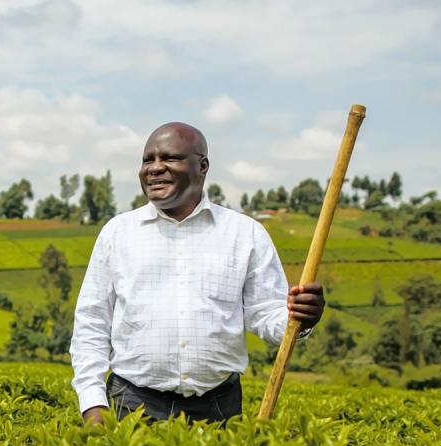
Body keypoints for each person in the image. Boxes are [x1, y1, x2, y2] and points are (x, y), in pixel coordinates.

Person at [69, 122, 326, 426]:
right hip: (133, 405)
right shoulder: (117, 233)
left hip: (219, 409)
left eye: (170, 158)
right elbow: (92, 324)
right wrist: (92, 402)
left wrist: (300, 316)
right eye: (147, 160)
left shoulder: (245, 234)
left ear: (202, 166)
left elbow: (266, 315)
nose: (155, 168)